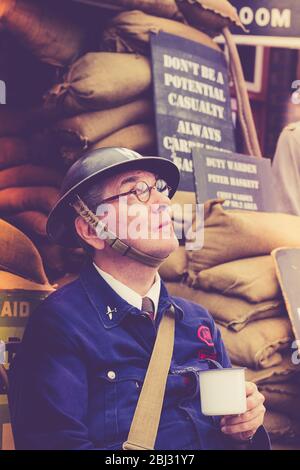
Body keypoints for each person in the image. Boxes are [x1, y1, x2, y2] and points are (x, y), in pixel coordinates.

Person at [9, 147, 270, 450]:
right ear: (92, 229)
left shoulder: (198, 321)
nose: (162, 201)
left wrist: (244, 429)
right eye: (136, 191)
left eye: (158, 188)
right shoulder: (60, 325)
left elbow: (233, 436)